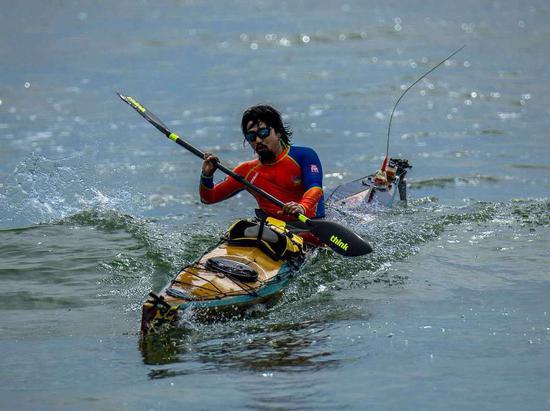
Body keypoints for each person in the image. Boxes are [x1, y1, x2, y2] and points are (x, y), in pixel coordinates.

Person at [200, 105, 324, 222]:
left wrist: (302, 207)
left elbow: (315, 187)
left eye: (263, 133)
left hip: (310, 226)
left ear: (279, 132)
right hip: (275, 231)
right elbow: (208, 198)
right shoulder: (245, 171)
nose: (258, 140)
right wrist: (206, 176)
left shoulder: (304, 156)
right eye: (251, 136)